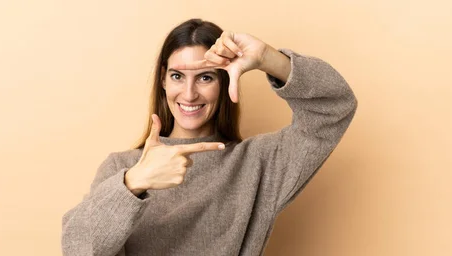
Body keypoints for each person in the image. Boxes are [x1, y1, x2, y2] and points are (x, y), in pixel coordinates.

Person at [61, 18, 358, 256]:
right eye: (178, 76)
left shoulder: (258, 163)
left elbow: (333, 107)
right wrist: (134, 182)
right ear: (163, 79)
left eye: (205, 77)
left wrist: (268, 58)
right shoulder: (123, 168)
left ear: (224, 80)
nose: (189, 94)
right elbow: (78, 249)